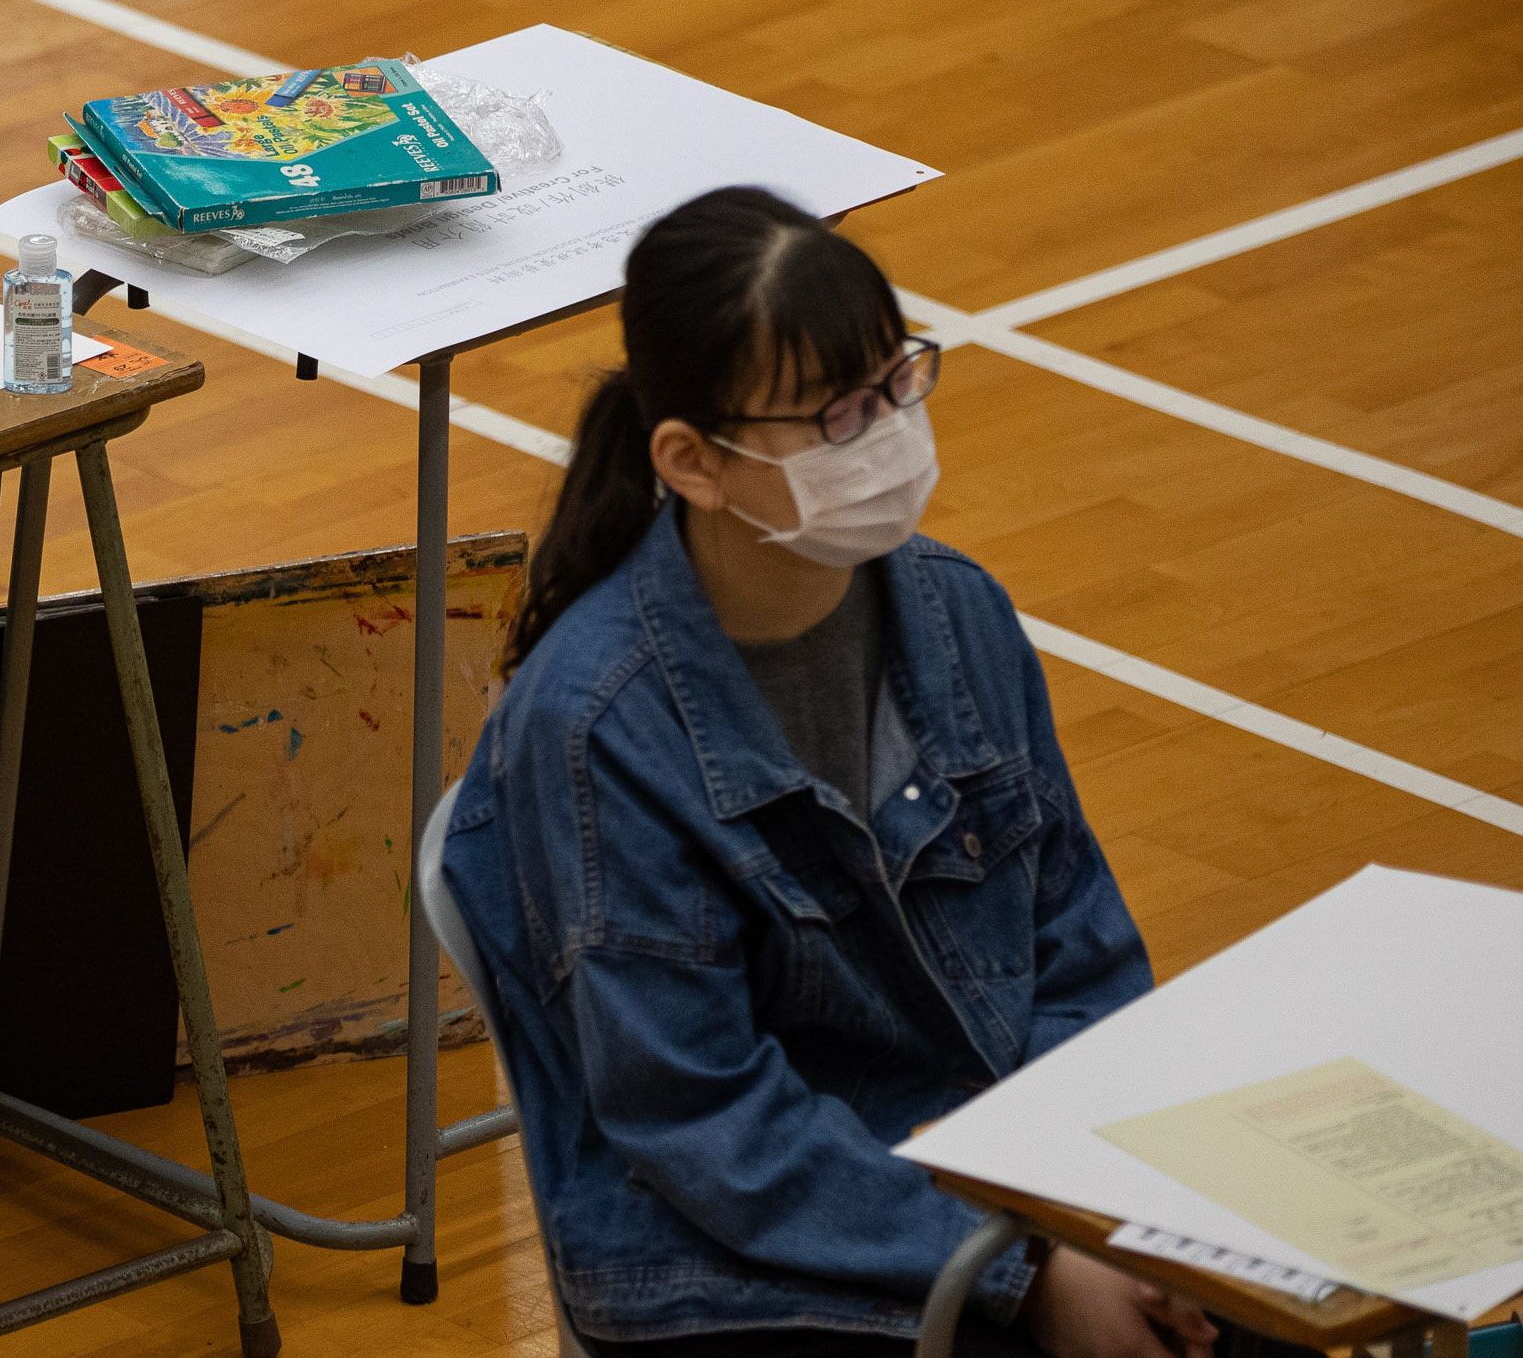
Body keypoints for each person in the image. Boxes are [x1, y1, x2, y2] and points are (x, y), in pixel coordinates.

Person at [439, 188, 1288, 1358]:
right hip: (740, 1261)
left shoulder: (955, 609)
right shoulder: (595, 729)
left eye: (897, 384)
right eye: (836, 416)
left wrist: (1102, 1220)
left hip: (1003, 1179)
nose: (887, 432)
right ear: (693, 461)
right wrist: (1022, 1268)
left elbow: (1078, 950)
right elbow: (704, 1121)